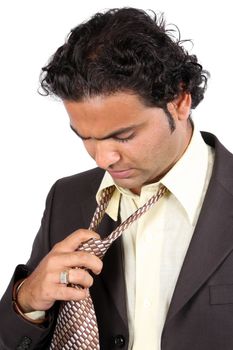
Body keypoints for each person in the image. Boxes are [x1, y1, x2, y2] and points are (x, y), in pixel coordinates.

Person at [1, 7, 233, 350]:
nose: (102, 158)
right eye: (85, 137)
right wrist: (28, 300)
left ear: (180, 101)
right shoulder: (67, 197)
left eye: (123, 136)